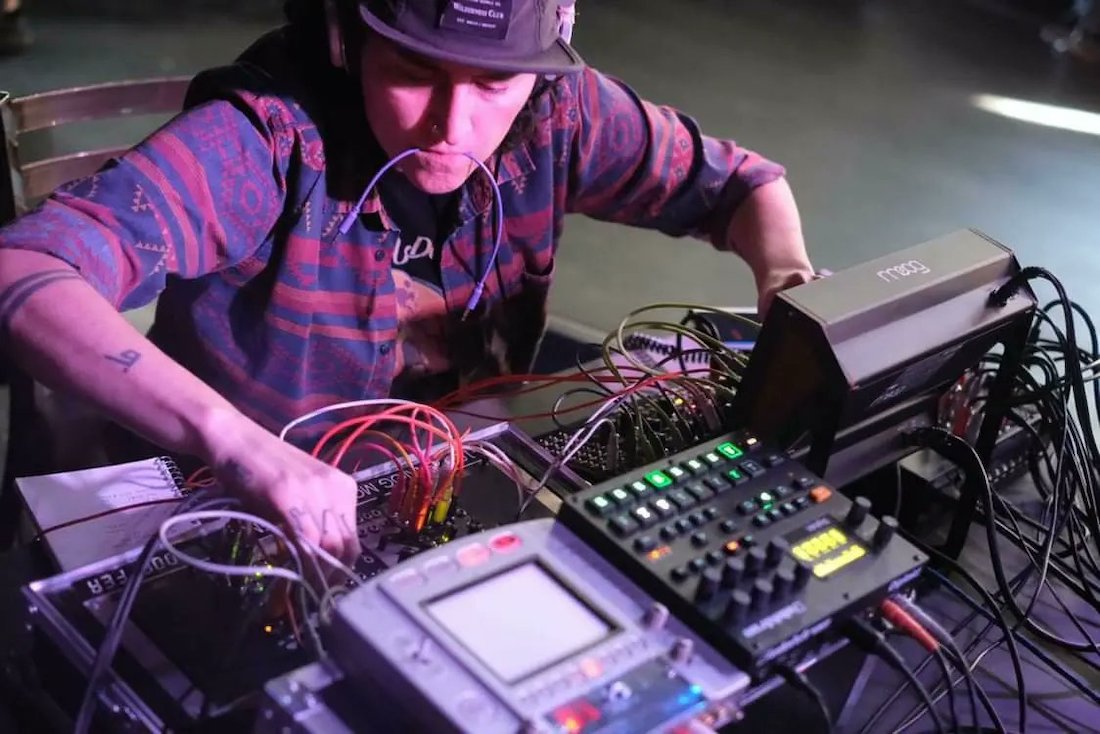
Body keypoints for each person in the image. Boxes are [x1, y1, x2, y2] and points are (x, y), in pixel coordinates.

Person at [0, 0, 816, 562]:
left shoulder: (562, 112)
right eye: (415, 71)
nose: (450, 128)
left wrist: (790, 285)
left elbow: (745, 186)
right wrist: (236, 442)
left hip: (445, 474)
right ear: (343, 39)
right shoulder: (264, 140)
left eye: (493, 83)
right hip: (249, 502)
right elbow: (23, 265)